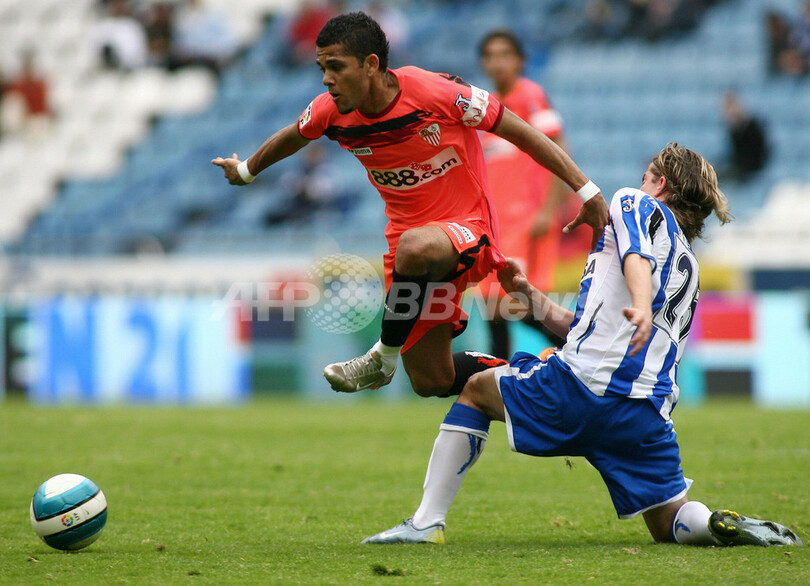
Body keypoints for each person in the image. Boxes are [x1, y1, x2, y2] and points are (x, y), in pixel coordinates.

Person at [362, 143, 802, 548]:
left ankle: (425, 522)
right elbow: (586, 329)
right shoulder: (688, 262)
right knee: (667, 520)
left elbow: (636, 258)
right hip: (644, 413)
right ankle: (714, 523)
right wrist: (531, 297)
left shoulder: (634, 202)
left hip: (584, 389)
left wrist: (641, 304)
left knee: (477, 389)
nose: (642, 180)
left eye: (649, 174)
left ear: (661, 183)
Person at [212, 12, 609, 399]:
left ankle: (380, 358)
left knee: (418, 247)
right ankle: (542, 373)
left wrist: (587, 192)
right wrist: (247, 169)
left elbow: (524, 133)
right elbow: (294, 135)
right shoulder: (331, 112)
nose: (327, 79)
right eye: (322, 68)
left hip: (468, 228)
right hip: (411, 260)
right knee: (432, 379)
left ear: (371, 65)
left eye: (336, 67)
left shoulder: (434, 93)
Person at [477, 30, 572, 358]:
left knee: (513, 301)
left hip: (526, 218)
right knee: (492, 304)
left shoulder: (531, 96)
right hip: (496, 225)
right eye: (491, 55)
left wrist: (549, 207)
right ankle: (497, 382)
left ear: (519, 60)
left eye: (505, 54)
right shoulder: (486, 106)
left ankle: (581, 349)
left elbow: (558, 150)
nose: (498, 62)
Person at [720, 91, 768, 182]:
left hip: (752, 171)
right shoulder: (732, 130)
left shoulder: (753, 127)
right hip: (738, 169)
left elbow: (760, 155)